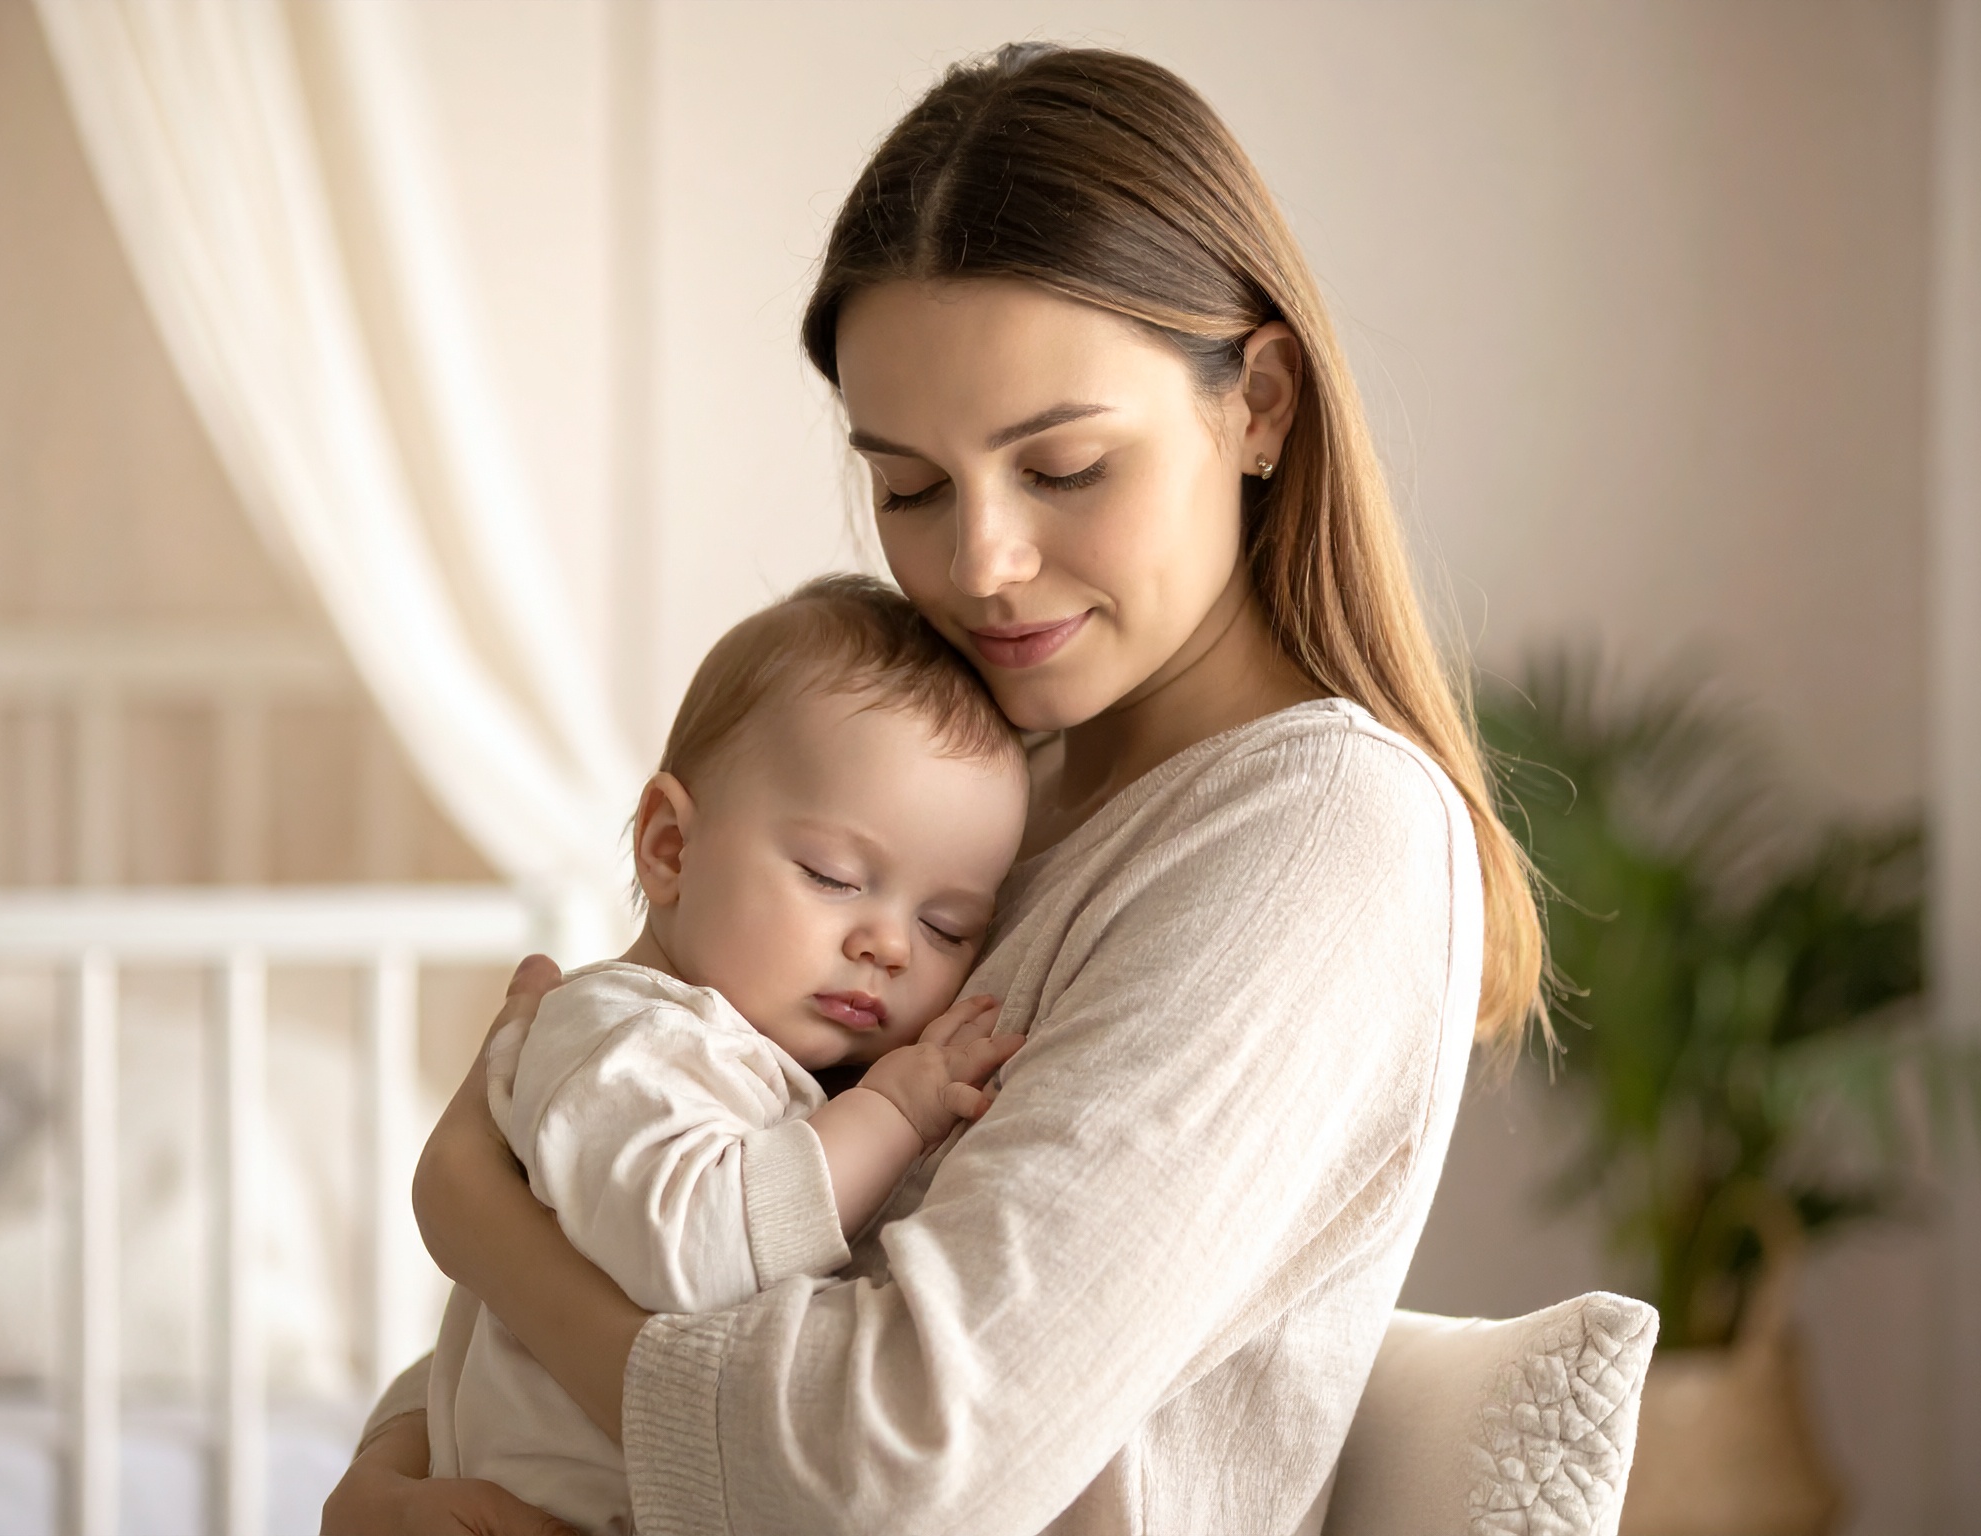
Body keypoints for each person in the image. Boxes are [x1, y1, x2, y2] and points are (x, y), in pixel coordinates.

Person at [326, 41, 1543, 1536]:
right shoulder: (969, 792)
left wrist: (478, 1225)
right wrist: (394, 1472)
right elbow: (663, 1184)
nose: (977, 565)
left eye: (1067, 468)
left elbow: (892, 1471)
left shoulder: (1316, 837)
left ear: (1263, 406)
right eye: (907, 486)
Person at [415, 577, 1028, 1534]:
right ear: (668, 846)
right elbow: (696, 1252)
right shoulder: (627, 1040)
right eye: (832, 877)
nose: (890, 946)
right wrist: (892, 1116)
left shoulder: (749, 1050)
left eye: (948, 927)